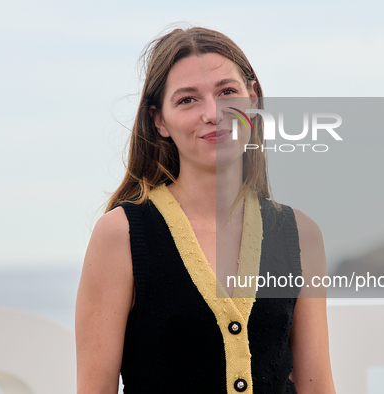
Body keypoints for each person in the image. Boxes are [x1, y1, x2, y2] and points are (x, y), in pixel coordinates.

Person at [75, 26, 336, 394]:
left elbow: (318, 386)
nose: (213, 113)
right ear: (159, 120)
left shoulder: (300, 235)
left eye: (227, 92)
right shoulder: (121, 235)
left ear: (254, 100)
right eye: (187, 100)